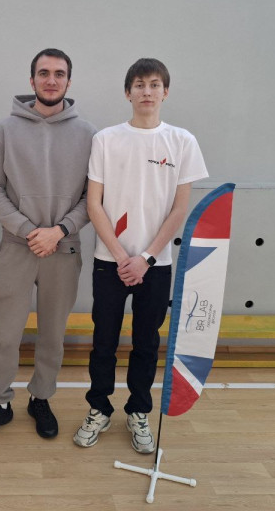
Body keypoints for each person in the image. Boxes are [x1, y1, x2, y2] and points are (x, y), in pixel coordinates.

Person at [73, 58, 208, 453]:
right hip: (109, 263)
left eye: (154, 84)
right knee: (103, 342)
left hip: (156, 266)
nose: (146, 91)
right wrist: (121, 257)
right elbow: (94, 204)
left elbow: (179, 210)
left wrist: (145, 258)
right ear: (127, 92)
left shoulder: (182, 141)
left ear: (165, 92)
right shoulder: (106, 139)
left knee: (146, 343)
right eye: (139, 84)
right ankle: (99, 409)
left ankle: (138, 412)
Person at [0, 48, 95, 442]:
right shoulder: (6, 129)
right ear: (32, 80)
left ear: (69, 81)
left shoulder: (88, 134)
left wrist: (60, 230)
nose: (51, 80)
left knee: (53, 333)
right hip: (16, 247)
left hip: (64, 247)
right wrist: (28, 230)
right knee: (4, 333)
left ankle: (41, 398)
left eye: (59, 73)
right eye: (44, 73)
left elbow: (93, 196)